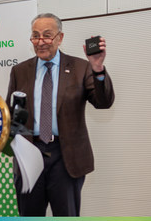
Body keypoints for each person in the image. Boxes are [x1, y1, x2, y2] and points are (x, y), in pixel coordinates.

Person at [6, 13, 114, 216]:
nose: (41, 41)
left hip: (66, 157)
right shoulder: (19, 71)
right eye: (35, 36)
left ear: (60, 38)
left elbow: (103, 103)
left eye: (47, 35)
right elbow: (10, 113)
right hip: (29, 153)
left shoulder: (81, 68)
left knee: (67, 216)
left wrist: (97, 68)